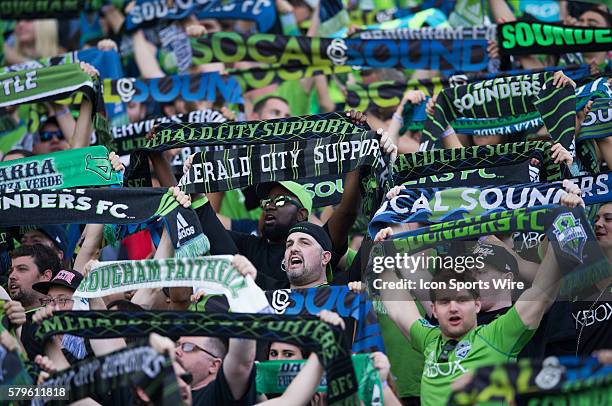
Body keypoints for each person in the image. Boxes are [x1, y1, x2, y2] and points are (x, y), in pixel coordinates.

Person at [175, 255, 259, 406]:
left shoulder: (219, 395)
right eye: (177, 344)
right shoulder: (158, 393)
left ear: (214, 365)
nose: (176, 351)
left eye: (187, 347)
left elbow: (242, 361)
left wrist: (243, 291)